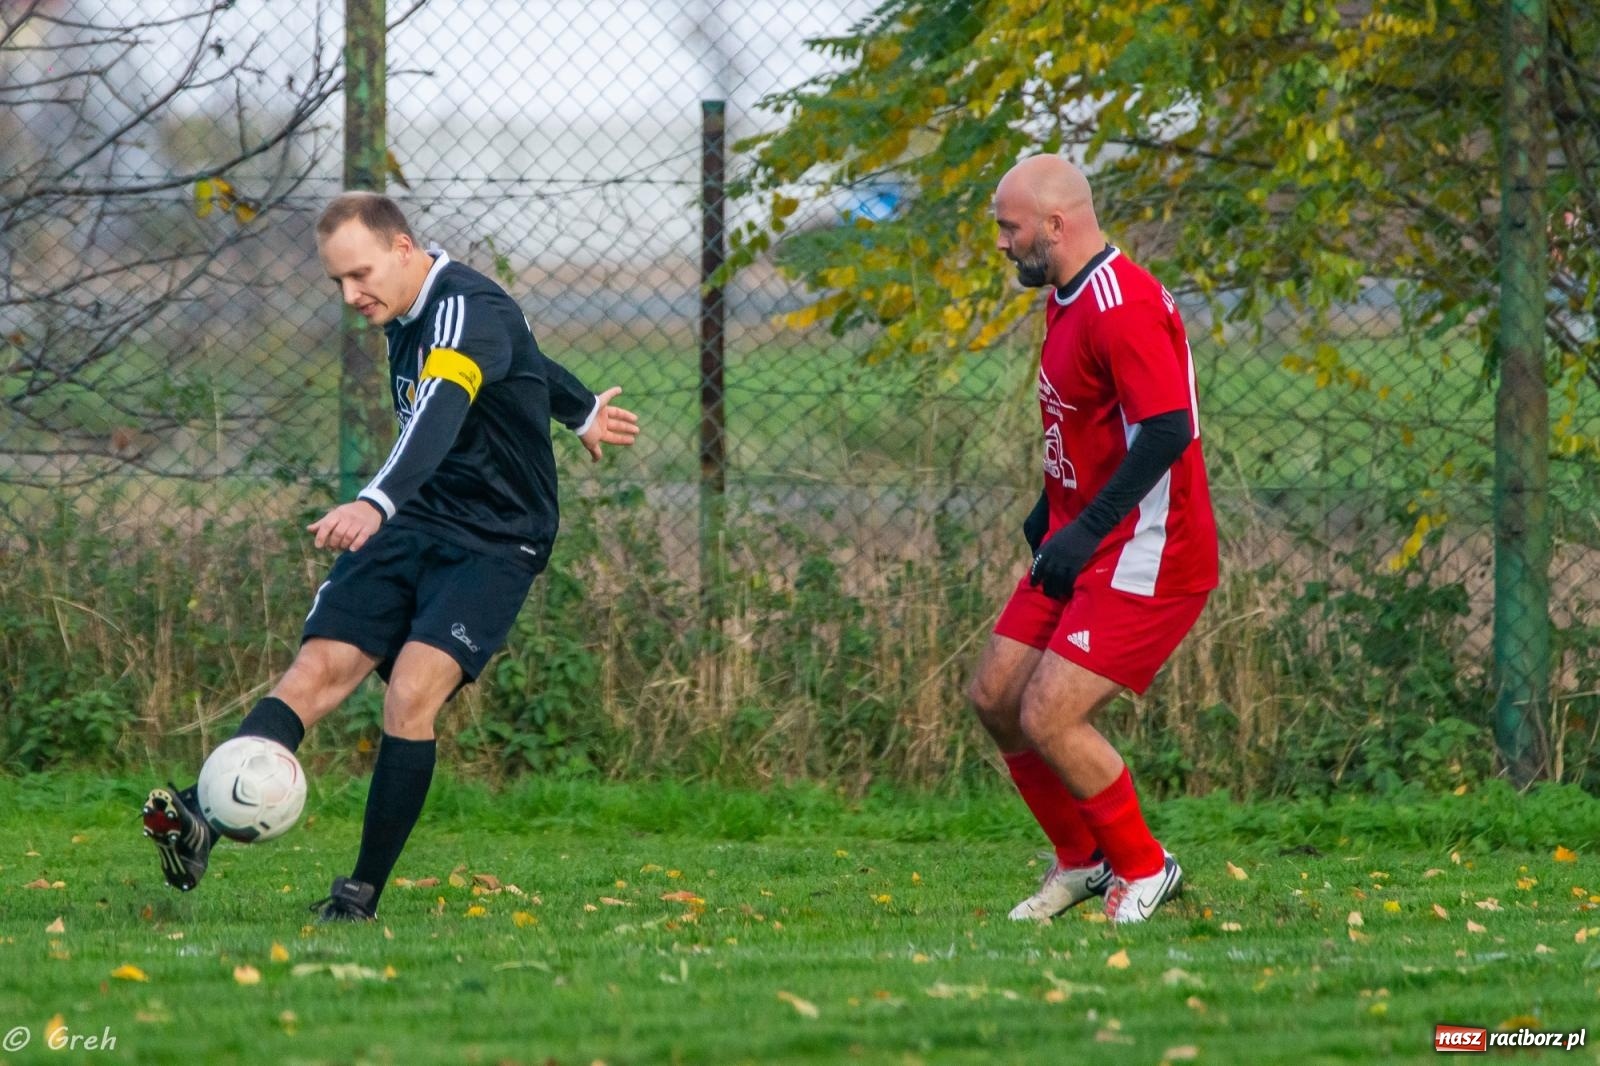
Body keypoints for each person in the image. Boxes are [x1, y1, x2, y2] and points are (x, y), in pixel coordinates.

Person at [141, 191, 640, 921]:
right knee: (316, 671)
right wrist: (583, 408)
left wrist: (374, 503)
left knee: (410, 693)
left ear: (404, 249)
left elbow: (439, 408)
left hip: (496, 539)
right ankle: (200, 821)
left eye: (361, 274)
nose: (350, 295)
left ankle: (360, 895)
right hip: (419, 516)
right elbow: (526, 358)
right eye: (337, 281)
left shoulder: (464, 309)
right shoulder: (408, 314)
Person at [969, 155, 1218, 924]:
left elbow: (1167, 431)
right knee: (996, 698)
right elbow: (1091, 426)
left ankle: (1145, 868)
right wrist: (1049, 513)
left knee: (1048, 713)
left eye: (1009, 227)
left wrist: (1084, 530)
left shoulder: (1122, 305)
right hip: (1087, 537)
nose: (1002, 243)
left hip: (1149, 550)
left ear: (1055, 224)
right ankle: (1081, 863)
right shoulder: (1066, 296)